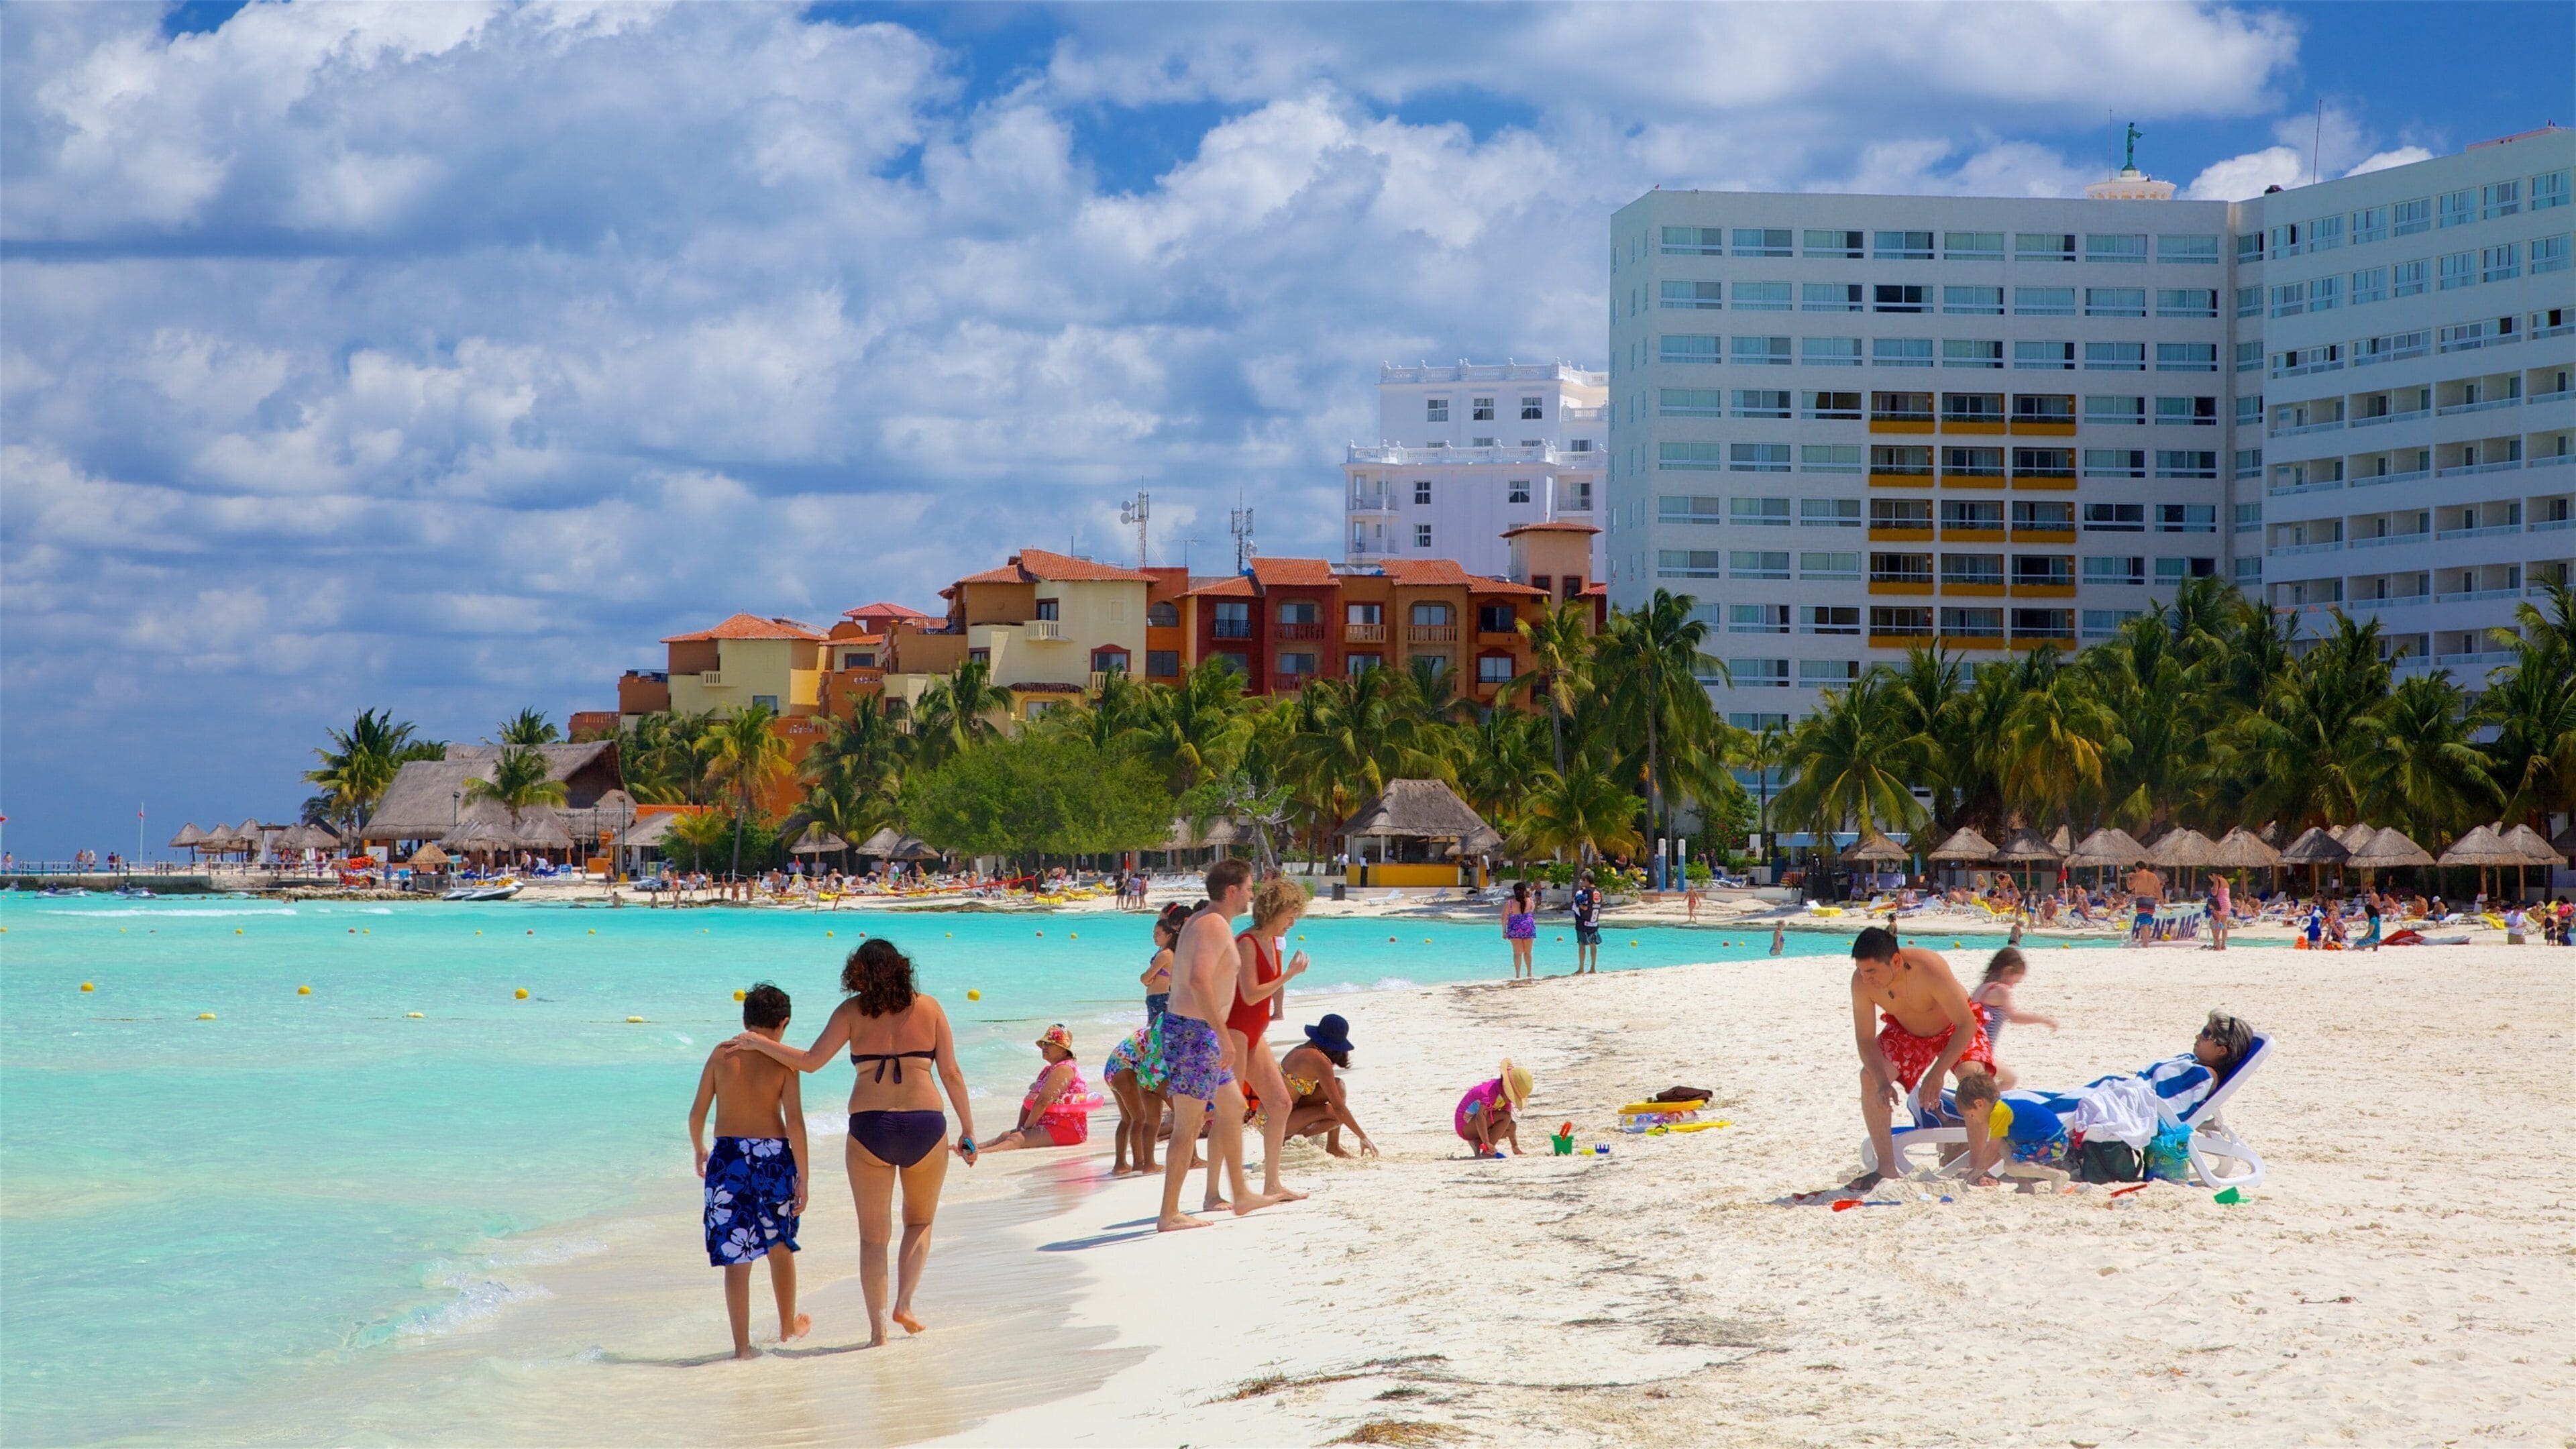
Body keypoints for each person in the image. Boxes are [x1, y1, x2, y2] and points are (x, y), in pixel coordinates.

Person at [727, 939, 975, 1346]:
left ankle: (878, 1332)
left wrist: (759, 1042)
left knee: (873, 1238)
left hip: (869, 1129)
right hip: (926, 1126)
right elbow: (951, 1073)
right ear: (901, 969)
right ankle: (905, 1304)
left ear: (858, 974)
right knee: (919, 1221)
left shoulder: (851, 1012)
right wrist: (968, 1129)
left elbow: (810, 1062)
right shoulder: (929, 1008)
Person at [688, 983, 812, 1359]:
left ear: (745, 1018)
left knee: (736, 1256)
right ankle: (787, 1330)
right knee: (780, 1247)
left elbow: (697, 1114)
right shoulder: (786, 1061)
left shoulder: (720, 1054)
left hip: (727, 1160)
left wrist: (699, 1148)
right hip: (773, 1158)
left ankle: (741, 1348)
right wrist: (804, 1176)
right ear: (783, 1023)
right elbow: (796, 1124)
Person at [1836, 926, 1992, 1196]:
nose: (1865, 978)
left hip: (1954, 1028)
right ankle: (1886, 1169)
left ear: (1896, 961)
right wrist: (1884, 1082)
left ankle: (1979, 1166)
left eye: (1872, 971)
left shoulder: (1928, 967)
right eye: (1861, 970)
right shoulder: (1861, 983)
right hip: (1908, 1033)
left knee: (1972, 1078)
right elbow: (1865, 1039)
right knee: (1869, 1077)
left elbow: (1966, 1023)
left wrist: (1938, 1072)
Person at [1158, 860, 1270, 1232]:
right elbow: (1199, 981)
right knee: (1187, 1125)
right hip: (1195, 1033)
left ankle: (1240, 1193)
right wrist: (1222, 1035)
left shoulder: (1205, 922)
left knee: (1235, 1106)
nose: (1253, 893)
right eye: (1250, 886)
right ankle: (1169, 1214)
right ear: (1232, 890)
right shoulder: (1213, 925)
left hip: (1194, 1031)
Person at [1232, 875, 1313, 1206]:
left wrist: (1279, 1007)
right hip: (1235, 1031)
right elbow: (1250, 995)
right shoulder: (1247, 942)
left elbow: (1271, 989)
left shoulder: (1273, 943)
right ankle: (1221, 1191)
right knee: (1230, 1112)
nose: (1293, 922)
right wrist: (1290, 975)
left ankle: (1272, 1184)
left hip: (1255, 1034)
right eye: (1290, 914)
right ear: (1274, 911)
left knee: (1280, 1103)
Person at [971, 1025, 1091, 1154]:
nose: (1045, 1047)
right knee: (1006, 1135)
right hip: (1048, 1125)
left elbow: (1043, 1102)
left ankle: (978, 1154)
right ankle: (971, 1148)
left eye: (1050, 1044)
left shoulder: (1064, 1069)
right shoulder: (1047, 1070)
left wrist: (1025, 1128)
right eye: (1044, 1043)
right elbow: (1030, 1100)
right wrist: (1020, 1127)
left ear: (1063, 1050)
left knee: (1017, 1139)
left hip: (1067, 1128)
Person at [1277, 1013, 1377, 1157]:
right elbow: (1339, 1107)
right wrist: (1363, 1137)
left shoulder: (1305, 1049)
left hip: (1288, 1110)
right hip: (1276, 1121)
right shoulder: (1318, 1060)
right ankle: (1288, 1138)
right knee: (1338, 1115)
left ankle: (1333, 1146)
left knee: (1338, 1085)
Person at [1971, 948, 2057, 1090]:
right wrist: (2044, 1020)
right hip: (1982, 1053)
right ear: (2007, 971)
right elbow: (2014, 1017)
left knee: (1982, 1090)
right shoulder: (2001, 990)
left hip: (1970, 1048)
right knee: (2010, 1080)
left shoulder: (1982, 987)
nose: (2012, 986)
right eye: (2015, 982)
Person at [1454, 1059, 1532, 1157]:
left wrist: (1515, 1145)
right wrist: (1487, 1142)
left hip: (1477, 1124)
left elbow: (1508, 1122)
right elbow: (1480, 1118)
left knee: (1511, 1127)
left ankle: (1478, 1142)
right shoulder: (1490, 1093)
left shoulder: (1503, 1096)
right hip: (1465, 1124)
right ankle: (1486, 1150)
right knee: (1505, 1117)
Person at [1142, 901, 1187, 1022]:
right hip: (1160, 997)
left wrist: (1147, 978)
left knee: (1156, 1032)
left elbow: (1145, 979)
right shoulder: (1168, 951)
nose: (1154, 936)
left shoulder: (1167, 953)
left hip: (1160, 998)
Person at [1502, 881, 1537, 980]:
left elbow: (1504, 918)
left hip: (1515, 928)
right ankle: (1530, 973)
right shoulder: (1530, 901)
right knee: (1528, 952)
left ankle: (1518, 975)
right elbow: (1531, 911)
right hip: (1528, 927)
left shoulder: (1510, 904)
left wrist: (1504, 932)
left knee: (1517, 953)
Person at [1570, 871, 1603, 974]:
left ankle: (1581, 969)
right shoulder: (1598, 892)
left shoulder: (1585, 892)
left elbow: (1584, 907)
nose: (1581, 882)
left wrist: (1577, 903)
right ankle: (1593, 968)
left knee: (1582, 945)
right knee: (1593, 944)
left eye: (1582, 880)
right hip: (1594, 922)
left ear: (1586, 880)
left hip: (1583, 922)